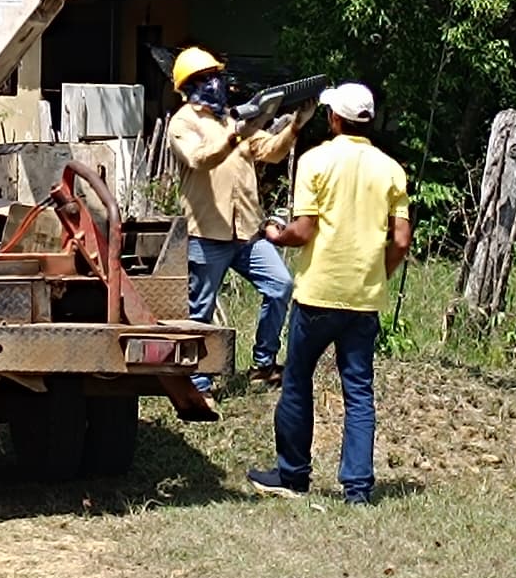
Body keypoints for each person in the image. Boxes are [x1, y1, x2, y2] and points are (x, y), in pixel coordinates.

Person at [250, 82, 410, 505]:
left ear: (334, 119)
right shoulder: (391, 169)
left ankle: (293, 476)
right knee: (358, 390)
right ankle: (357, 488)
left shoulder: (315, 160)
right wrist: (381, 274)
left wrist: (273, 234)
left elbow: (302, 231)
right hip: (364, 297)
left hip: (318, 293)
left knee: (298, 382)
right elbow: (401, 240)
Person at [164, 45, 307, 390]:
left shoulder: (231, 118)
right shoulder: (182, 123)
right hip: (206, 233)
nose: (216, 83)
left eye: (217, 76)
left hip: (246, 231)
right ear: (190, 85)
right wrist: (234, 136)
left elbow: (270, 153)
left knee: (280, 286)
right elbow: (199, 159)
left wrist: (295, 126)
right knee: (200, 311)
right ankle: (198, 383)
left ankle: (264, 364)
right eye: (207, 78)